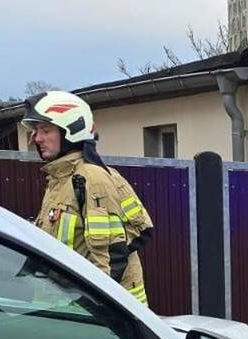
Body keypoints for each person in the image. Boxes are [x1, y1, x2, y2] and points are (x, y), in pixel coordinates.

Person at [22, 90, 154, 303]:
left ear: (71, 130)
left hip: (95, 312)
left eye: (45, 130)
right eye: (36, 131)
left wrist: (94, 309)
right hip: (65, 303)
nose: (36, 138)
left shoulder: (91, 178)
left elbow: (109, 257)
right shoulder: (61, 179)